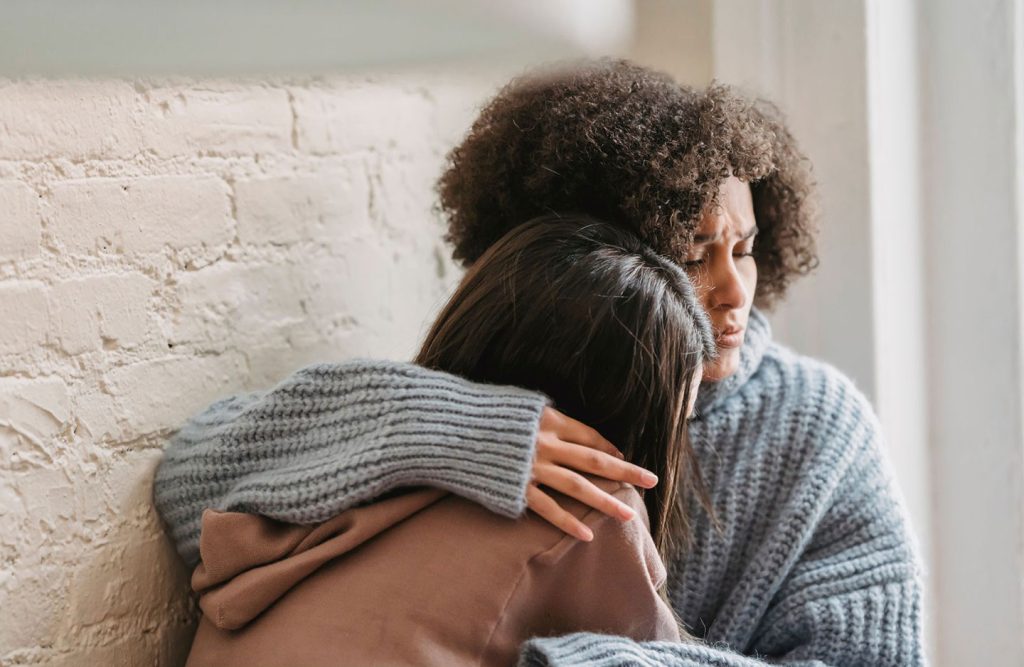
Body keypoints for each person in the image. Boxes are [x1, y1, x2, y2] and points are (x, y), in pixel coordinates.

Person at [155, 59, 925, 666]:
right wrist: (458, 427)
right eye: (693, 253)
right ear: (601, 256)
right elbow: (190, 486)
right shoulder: (496, 387)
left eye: (746, 249)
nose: (734, 291)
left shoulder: (819, 430)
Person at [182, 217, 714, 666]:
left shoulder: (356, 466)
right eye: (677, 419)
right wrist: (485, 430)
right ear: (638, 416)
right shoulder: (592, 506)